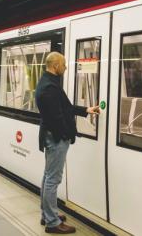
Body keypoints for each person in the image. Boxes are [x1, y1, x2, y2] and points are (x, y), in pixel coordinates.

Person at [35, 52, 100, 234]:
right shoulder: (50, 87)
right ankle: (52, 222)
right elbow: (58, 118)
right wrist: (68, 135)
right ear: (55, 66)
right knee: (53, 179)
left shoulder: (47, 83)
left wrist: (86, 109)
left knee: (48, 176)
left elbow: (65, 107)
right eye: (63, 64)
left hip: (50, 135)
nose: (65, 68)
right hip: (55, 138)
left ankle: (47, 214)